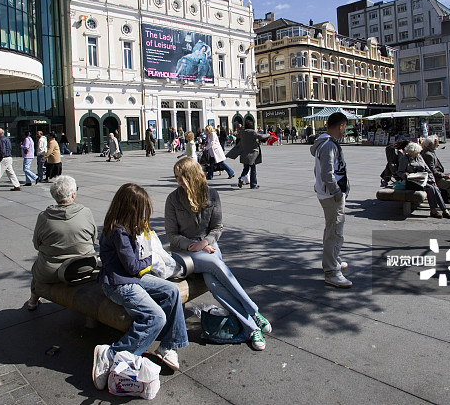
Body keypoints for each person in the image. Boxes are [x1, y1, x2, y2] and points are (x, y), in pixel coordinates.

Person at [166, 158, 271, 350]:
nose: (178, 182)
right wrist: (194, 245)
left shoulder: (212, 195)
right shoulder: (173, 199)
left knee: (214, 284)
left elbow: (217, 227)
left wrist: (205, 242)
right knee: (215, 264)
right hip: (186, 253)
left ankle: (251, 327)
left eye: (182, 178)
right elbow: (172, 236)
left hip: (209, 247)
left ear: (193, 176)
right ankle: (253, 310)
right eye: (176, 178)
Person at [93, 183, 189, 389]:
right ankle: (113, 355)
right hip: (119, 282)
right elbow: (133, 265)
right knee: (156, 317)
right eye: (142, 209)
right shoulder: (119, 231)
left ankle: (168, 346)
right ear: (131, 208)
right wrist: (150, 257)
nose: (145, 214)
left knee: (171, 290)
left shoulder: (123, 227)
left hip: (131, 276)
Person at [27, 175, 97, 310]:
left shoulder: (44, 217)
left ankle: (32, 300)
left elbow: (37, 244)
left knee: (38, 265)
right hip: (84, 266)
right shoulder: (86, 212)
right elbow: (93, 238)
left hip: (51, 272)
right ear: (74, 195)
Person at [310, 112, 353, 288]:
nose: (345, 131)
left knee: (332, 229)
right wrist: (337, 192)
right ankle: (332, 271)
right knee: (335, 232)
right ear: (341, 125)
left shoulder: (325, 142)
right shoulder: (328, 145)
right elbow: (327, 173)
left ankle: (333, 259)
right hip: (331, 194)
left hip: (327, 192)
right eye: (345, 127)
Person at [398, 142, 450, 219]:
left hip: (423, 179)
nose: (418, 153)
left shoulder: (419, 157)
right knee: (430, 188)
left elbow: (428, 169)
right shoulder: (404, 159)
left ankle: (444, 210)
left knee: (435, 188)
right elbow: (399, 172)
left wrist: (433, 180)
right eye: (416, 152)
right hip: (412, 182)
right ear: (411, 152)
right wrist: (405, 175)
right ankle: (434, 211)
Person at [231, 120, 261, 189]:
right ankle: (253, 184)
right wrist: (269, 134)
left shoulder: (242, 132)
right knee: (253, 169)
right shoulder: (253, 132)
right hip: (252, 153)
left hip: (244, 153)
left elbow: (237, 135)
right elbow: (261, 136)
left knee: (246, 168)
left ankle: (242, 178)